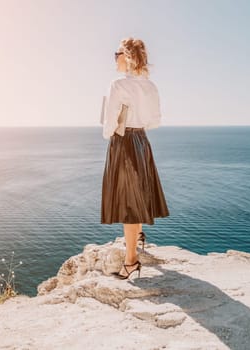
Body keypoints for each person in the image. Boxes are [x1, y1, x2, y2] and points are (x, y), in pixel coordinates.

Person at [100, 37, 170, 280]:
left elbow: (109, 123)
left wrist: (109, 131)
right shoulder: (150, 86)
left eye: (116, 53)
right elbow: (155, 121)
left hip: (123, 142)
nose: (114, 59)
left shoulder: (118, 84)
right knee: (138, 192)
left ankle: (131, 261)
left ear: (126, 56)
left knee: (127, 201)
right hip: (142, 141)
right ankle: (138, 236)